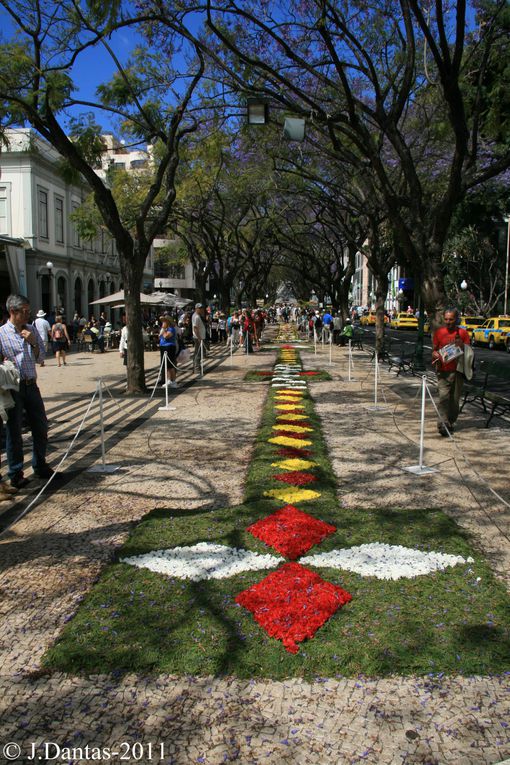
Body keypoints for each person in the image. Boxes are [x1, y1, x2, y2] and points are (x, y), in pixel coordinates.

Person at [0, 294, 59, 487]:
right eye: (24, 312)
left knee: (40, 426)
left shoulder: (31, 329)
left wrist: (33, 341)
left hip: (31, 384)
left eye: (29, 311)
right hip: (13, 388)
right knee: (14, 431)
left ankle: (40, 464)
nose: (28, 315)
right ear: (13, 312)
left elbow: (41, 358)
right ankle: (15, 472)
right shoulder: (2, 334)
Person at [432, 308, 471, 436]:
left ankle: (450, 421)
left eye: (451, 319)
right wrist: (436, 354)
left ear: (456, 319)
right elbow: (434, 350)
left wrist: (461, 347)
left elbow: (468, 352)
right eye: (446, 319)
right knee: (443, 398)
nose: (448, 322)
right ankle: (442, 424)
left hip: (458, 371)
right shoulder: (439, 332)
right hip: (443, 371)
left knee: (454, 400)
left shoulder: (463, 333)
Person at [159, 316, 178, 388]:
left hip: (169, 347)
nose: (163, 323)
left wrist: (164, 329)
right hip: (163, 346)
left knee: (170, 365)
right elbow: (160, 336)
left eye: (164, 321)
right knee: (166, 365)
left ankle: (173, 381)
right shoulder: (165, 329)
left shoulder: (171, 329)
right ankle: (168, 380)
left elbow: (166, 336)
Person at [192, 303, 206, 375]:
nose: (201, 309)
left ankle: (196, 367)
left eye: (202, 308)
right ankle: (197, 368)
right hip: (198, 338)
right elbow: (195, 328)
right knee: (198, 353)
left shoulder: (197, 316)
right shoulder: (196, 317)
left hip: (199, 337)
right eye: (200, 308)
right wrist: (199, 338)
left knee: (197, 353)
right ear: (196, 308)